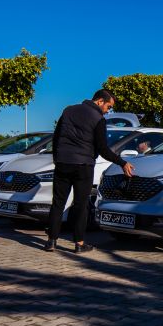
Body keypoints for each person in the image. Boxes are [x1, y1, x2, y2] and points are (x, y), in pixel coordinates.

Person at [45, 89, 134, 253]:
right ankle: (79, 244)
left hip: (63, 163)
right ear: (100, 101)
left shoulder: (68, 110)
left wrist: (57, 159)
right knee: (81, 205)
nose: (108, 111)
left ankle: (51, 241)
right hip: (83, 166)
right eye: (108, 106)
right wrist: (122, 163)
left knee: (58, 202)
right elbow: (102, 148)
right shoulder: (98, 119)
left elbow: (56, 138)